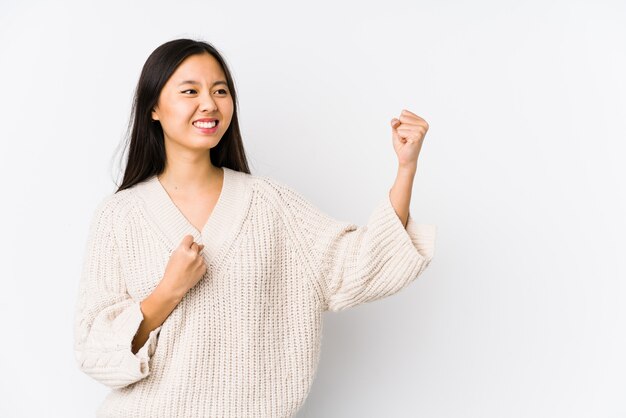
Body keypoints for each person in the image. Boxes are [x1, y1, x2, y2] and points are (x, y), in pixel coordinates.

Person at [73, 38, 437, 418]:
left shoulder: (270, 204)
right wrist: (167, 292)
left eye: (220, 90)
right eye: (190, 91)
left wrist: (405, 169)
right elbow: (93, 351)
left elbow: (360, 265)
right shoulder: (119, 216)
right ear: (153, 109)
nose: (209, 104)